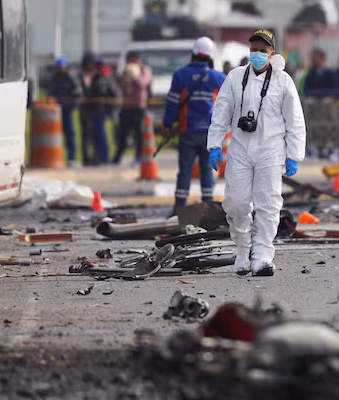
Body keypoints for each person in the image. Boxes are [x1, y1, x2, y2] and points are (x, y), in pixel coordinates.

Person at [208, 29, 305, 276]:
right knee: (235, 204)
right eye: (254, 50)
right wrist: (214, 144)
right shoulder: (234, 77)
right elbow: (221, 112)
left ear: (272, 53)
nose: (258, 54)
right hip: (240, 149)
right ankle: (242, 250)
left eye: (263, 50)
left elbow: (294, 120)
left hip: (271, 149)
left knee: (268, 204)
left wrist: (294, 154)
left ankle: (262, 256)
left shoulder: (283, 81)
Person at [163, 37, 227, 209]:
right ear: (210, 57)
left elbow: (172, 104)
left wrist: (167, 125)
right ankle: (207, 208)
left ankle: (179, 209)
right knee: (207, 169)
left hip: (187, 131)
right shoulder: (219, 78)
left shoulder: (180, 75)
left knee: (184, 171)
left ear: (193, 54)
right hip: (210, 133)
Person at [114, 52, 152, 165]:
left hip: (139, 106)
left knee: (139, 133)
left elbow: (143, 83)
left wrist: (134, 76)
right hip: (126, 106)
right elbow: (121, 87)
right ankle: (117, 156)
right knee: (122, 133)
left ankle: (139, 156)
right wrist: (121, 78)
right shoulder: (126, 70)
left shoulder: (145, 70)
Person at [301, 48, 336, 158]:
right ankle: (314, 146)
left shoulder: (329, 73)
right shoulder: (310, 73)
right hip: (313, 104)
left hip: (325, 105)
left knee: (327, 125)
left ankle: (327, 146)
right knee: (312, 126)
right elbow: (306, 87)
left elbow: (333, 87)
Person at [47, 57, 82, 166]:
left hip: (67, 111)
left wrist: (72, 105)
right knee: (56, 136)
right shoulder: (54, 78)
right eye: (58, 68)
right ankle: (57, 157)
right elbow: (50, 92)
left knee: (70, 134)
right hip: (56, 112)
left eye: (61, 68)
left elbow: (78, 91)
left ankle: (72, 158)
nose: (60, 70)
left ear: (65, 67)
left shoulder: (71, 78)